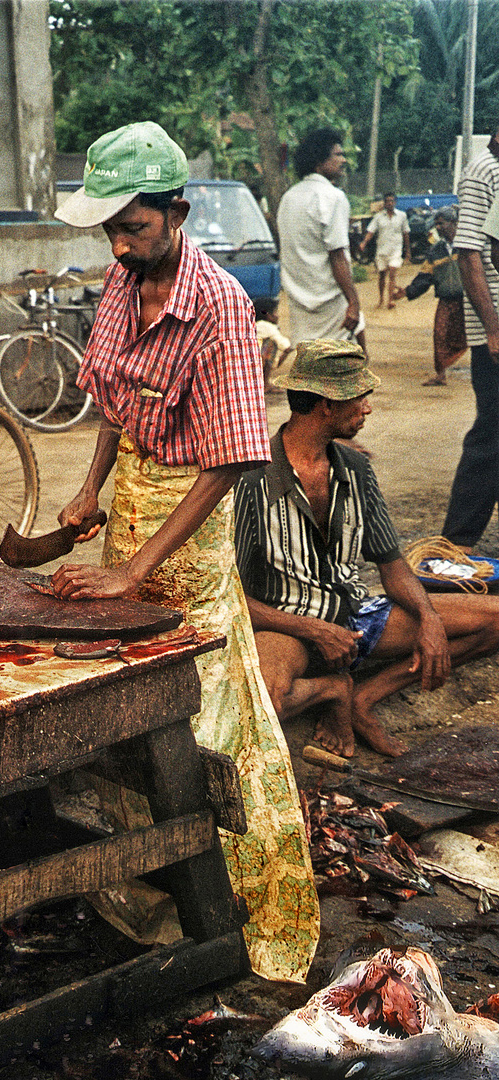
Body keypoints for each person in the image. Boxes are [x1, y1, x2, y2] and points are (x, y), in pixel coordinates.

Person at [53, 121, 318, 984]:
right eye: (110, 229)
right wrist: (91, 489)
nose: (120, 243)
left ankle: (237, 907)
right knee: (120, 703)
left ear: (177, 209)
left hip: (190, 528)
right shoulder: (120, 281)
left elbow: (234, 458)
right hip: (131, 499)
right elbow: (111, 399)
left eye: (133, 225)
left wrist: (134, 569)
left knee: (197, 717)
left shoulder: (222, 311)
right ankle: (153, 891)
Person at [233, 339, 499, 760]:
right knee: (266, 698)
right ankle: (331, 689)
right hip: (287, 631)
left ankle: (363, 698)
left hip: (357, 618)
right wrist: (314, 630)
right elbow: (228, 596)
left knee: (496, 619)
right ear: (326, 404)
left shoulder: (356, 470)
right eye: (360, 399)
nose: (367, 409)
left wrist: (428, 619)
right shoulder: (250, 478)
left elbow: (393, 567)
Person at [440, 124, 499, 554]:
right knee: (491, 435)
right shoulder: (484, 170)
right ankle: (455, 544)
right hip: (494, 326)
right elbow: (468, 251)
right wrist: (492, 327)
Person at [276, 127, 366, 353]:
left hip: (300, 303)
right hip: (332, 304)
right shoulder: (333, 197)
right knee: (342, 374)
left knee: (309, 372)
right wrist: (354, 303)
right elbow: (337, 257)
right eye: (337, 154)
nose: (343, 160)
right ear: (319, 161)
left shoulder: (289, 198)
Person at [395, 206, 466, 386]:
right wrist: (407, 291)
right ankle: (440, 375)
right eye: (436, 224)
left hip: (469, 300)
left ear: (454, 223)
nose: (438, 228)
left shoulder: (467, 245)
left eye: (441, 223)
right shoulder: (436, 250)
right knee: (440, 334)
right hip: (446, 300)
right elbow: (425, 278)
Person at [359, 193, 410, 309]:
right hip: (382, 250)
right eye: (387, 201)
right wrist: (364, 243)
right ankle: (381, 299)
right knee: (382, 275)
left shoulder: (402, 216)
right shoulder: (378, 217)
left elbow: (406, 233)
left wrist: (408, 251)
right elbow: (371, 232)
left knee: (392, 272)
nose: (389, 203)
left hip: (396, 250)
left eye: (392, 201)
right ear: (384, 203)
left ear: (395, 202)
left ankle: (390, 300)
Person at [253, 295, 292, 394]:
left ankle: (263, 383)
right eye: (275, 312)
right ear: (267, 315)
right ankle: (265, 384)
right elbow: (285, 345)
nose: (277, 315)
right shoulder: (266, 326)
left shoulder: (256, 325)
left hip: (252, 363)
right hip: (257, 362)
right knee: (271, 345)